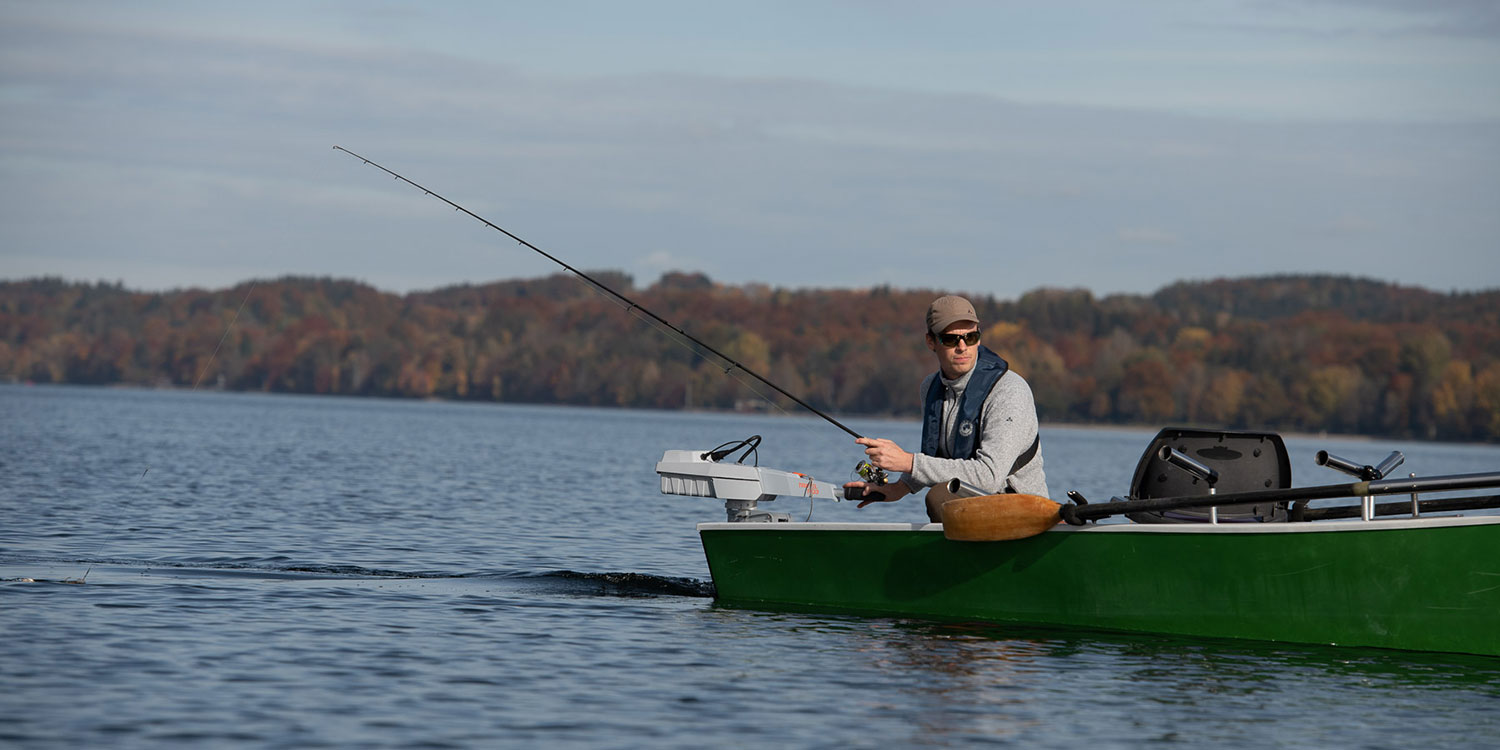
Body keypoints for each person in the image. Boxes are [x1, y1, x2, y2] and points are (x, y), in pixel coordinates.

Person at [844, 295, 1049, 521]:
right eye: (951, 340)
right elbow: (937, 459)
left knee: (940, 496)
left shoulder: (1009, 391)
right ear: (931, 342)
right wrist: (897, 489)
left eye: (971, 337)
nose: (963, 347)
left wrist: (909, 462)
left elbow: (989, 476)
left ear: (979, 338)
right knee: (942, 495)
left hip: (1027, 514)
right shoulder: (930, 387)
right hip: (976, 510)